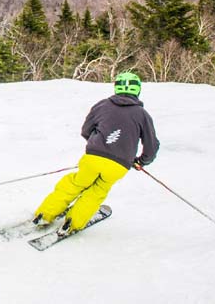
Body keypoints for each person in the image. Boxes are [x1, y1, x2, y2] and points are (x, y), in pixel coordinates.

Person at [33, 72, 159, 234]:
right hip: (118, 165)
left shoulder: (103, 105)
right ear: (138, 90)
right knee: (97, 192)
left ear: (116, 88)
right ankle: (72, 223)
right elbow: (151, 145)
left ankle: (44, 214)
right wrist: (141, 161)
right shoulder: (142, 115)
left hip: (93, 158)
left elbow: (86, 130)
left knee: (74, 184)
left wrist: (97, 145)